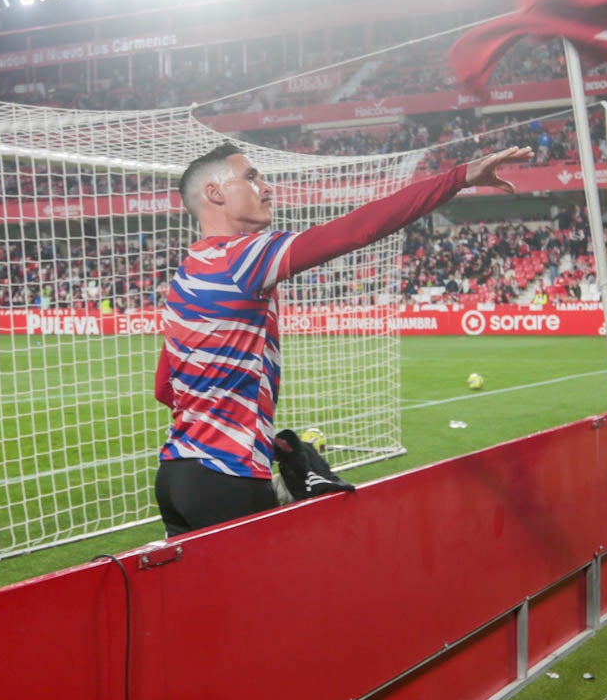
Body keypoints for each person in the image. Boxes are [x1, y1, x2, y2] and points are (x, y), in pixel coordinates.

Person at [153, 141, 533, 537]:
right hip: (229, 475)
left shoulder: (186, 276)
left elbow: (165, 387)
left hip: (176, 473)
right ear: (214, 193)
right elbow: (357, 230)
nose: (266, 187)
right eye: (251, 177)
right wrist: (460, 177)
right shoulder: (243, 256)